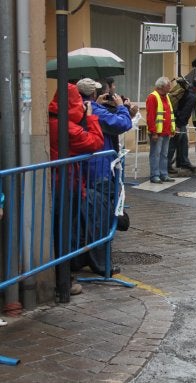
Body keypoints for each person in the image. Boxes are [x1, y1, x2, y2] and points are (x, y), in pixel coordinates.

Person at [49, 83, 105, 295]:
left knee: (59, 230)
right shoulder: (67, 127)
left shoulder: (52, 120)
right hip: (66, 185)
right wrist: (90, 118)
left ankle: (62, 276)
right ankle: (63, 279)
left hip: (57, 184)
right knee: (64, 232)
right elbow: (94, 142)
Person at [76, 77, 133, 276]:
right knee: (100, 219)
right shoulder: (94, 110)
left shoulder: (79, 108)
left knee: (86, 217)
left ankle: (82, 258)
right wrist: (121, 107)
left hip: (84, 171)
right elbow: (122, 124)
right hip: (99, 170)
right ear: (93, 94)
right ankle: (101, 264)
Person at [146, 76, 176, 184]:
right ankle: (155, 175)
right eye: (168, 86)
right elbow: (150, 117)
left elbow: (169, 114)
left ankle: (163, 174)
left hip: (165, 131)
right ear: (162, 87)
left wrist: (172, 128)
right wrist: (154, 132)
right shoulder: (153, 97)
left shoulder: (166, 97)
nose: (170, 88)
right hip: (158, 133)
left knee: (164, 154)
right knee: (156, 154)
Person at [169, 78, 196, 172]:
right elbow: (185, 111)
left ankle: (182, 162)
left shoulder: (186, 92)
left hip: (178, 119)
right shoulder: (192, 96)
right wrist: (179, 124)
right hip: (180, 121)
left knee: (183, 142)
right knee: (174, 143)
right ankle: (168, 165)